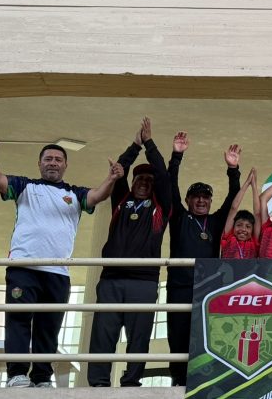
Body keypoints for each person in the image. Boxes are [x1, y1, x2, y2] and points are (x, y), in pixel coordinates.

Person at [0, 141, 122, 388]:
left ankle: (42, 377)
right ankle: (16, 374)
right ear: (39, 163)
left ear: (65, 165)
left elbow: (98, 195)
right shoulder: (24, 186)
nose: (53, 162)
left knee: (49, 326)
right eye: (48, 159)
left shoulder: (75, 193)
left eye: (58, 159)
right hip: (23, 267)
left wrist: (111, 178)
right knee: (19, 321)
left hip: (58, 272)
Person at [88, 117, 172, 387]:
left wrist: (149, 143)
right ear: (133, 181)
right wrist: (135, 146)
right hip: (111, 279)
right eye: (140, 178)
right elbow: (119, 170)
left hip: (144, 282)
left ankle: (131, 383)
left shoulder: (161, 208)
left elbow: (163, 173)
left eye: (150, 179)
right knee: (103, 333)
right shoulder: (121, 200)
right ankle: (99, 383)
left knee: (139, 336)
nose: (145, 182)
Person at [165, 131, 242, 386]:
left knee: (206, 335)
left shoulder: (216, 221)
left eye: (205, 197)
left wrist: (233, 170)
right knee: (177, 333)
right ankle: (178, 379)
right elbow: (170, 187)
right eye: (196, 196)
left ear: (210, 201)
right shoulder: (179, 217)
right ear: (188, 200)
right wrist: (177, 156)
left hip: (208, 287)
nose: (200, 200)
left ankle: (203, 380)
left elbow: (233, 200)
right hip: (179, 286)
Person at [220, 168, 261, 259]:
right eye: (239, 225)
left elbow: (257, 214)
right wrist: (246, 183)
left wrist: (254, 186)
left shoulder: (254, 241)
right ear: (233, 227)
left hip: (249, 273)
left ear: (253, 230)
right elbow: (233, 208)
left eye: (248, 226)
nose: (243, 229)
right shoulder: (228, 238)